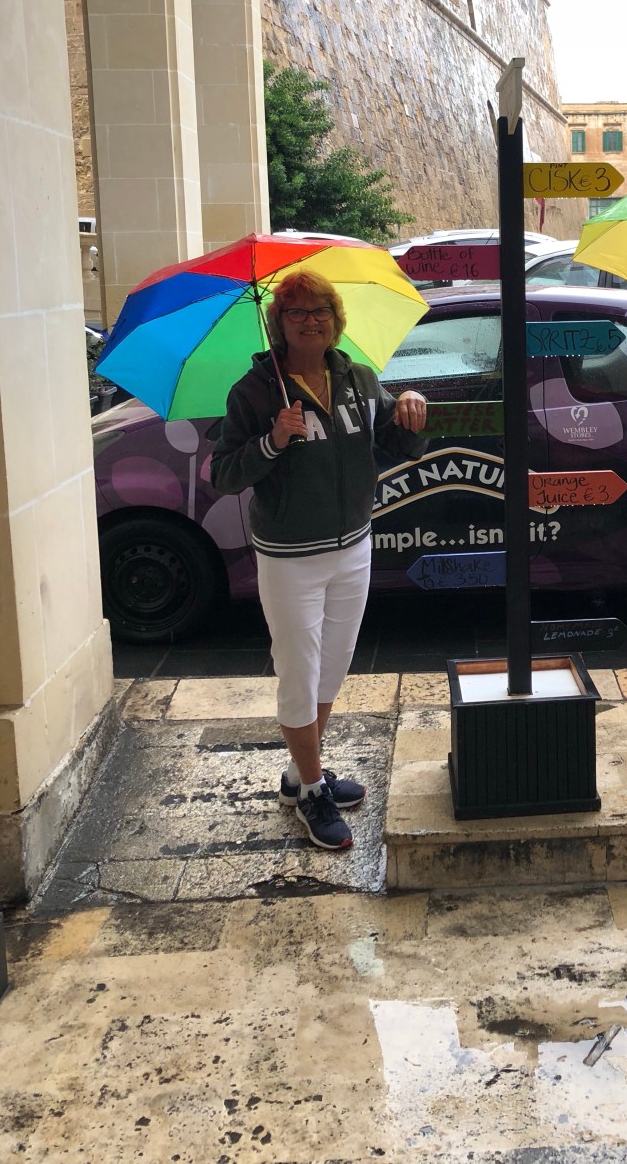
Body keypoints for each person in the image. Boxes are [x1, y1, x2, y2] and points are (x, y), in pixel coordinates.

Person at [211, 269, 428, 850]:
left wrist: (410, 411)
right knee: (299, 671)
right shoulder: (254, 393)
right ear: (279, 324)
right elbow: (224, 473)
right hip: (291, 558)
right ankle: (312, 790)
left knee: (332, 665)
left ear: (335, 319)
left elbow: (393, 445)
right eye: (297, 312)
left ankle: (298, 774)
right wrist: (272, 441)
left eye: (320, 311)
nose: (311, 321)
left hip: (353, 545)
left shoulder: (359, 379)